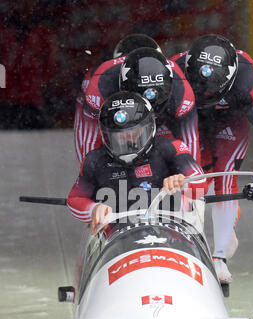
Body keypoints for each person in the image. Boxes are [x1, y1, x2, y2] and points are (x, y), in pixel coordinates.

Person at [171, 34, 253, 284]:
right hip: (189, 122)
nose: (206, 93)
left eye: (213, 88)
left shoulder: (249, 80)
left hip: (231, 121)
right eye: (201, 87)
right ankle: (183, 247)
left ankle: (219, 257)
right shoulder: (173, 72)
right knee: (189, 181)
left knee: (225, 177)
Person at [68, 91, 208, 234]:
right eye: (120, 137)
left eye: (134, 134)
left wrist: (182, 182)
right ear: (107, 136)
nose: (129, 142)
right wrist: (93, 209)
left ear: (148, 129)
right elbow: (75, 199)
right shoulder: (95, 160)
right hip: (119, 243)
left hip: (168, 238)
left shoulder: (170, 148)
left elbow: (201, 184)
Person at [74, 44, 199, 166]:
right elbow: (88, 137)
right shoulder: (100, 87)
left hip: (162, 119)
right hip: (120, 118)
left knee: (170, 149)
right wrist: (90, 172)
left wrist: (188, 174)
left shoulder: (182, 94)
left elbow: (190, 139)